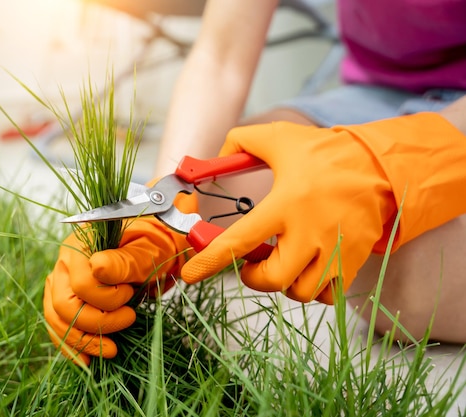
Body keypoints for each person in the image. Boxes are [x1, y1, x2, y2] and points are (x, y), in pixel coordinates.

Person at [44, 0, 466, 365]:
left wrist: (395, 160)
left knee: (408, 285)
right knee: (222, 190)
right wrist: (162, 198)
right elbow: (220, 56)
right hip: (376, 95)